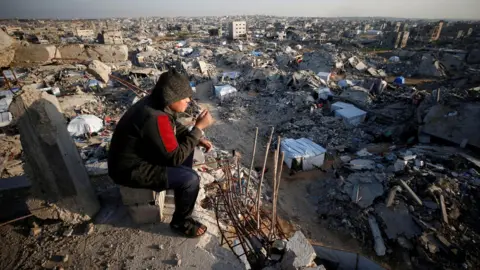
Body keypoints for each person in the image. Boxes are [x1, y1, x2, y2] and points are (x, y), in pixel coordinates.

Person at [108, 69, 214, 238]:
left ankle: (177, 184)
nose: (188, 100)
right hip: (129, 170)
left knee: (188, 145)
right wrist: (198, 129)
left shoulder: (155, 104)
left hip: (137, 157)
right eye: (184, 97)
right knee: (191, 179)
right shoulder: (154, 117)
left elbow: (171, 126)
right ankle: (181, 221)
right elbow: (174, 157)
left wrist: (193, 136)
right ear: (171, 98)